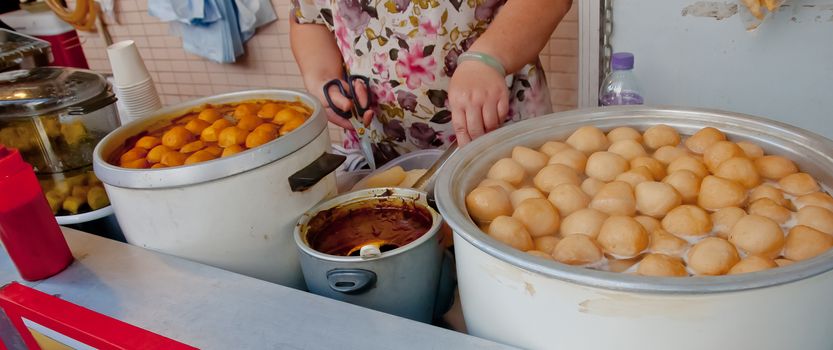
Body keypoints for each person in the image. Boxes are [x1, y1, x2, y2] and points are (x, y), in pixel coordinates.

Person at [290, 0, 572, 165]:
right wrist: (322, 79)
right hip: (374, 149)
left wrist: (489, 57)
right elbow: (308, 16)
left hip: (501, 138)